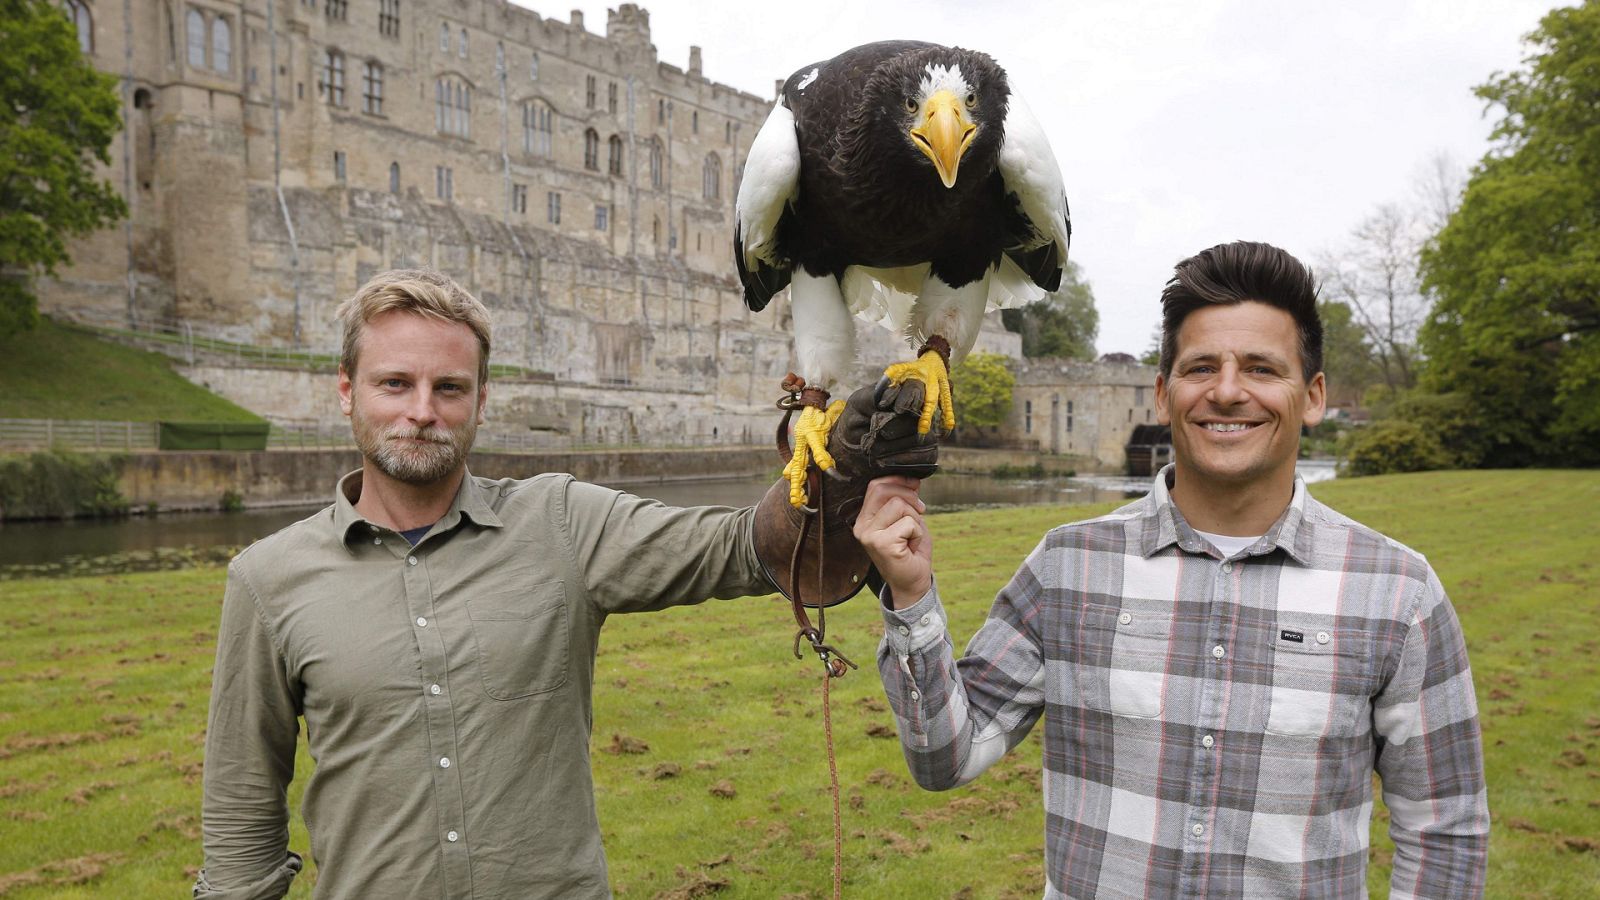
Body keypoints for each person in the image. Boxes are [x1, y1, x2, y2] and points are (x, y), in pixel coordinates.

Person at [195, 268, 935, 898]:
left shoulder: (560, 522)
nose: (422, 411)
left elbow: (741, 547)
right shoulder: (268, 580)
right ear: (346, 391)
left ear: (481, 400)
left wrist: (837, 475)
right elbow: (241, 818)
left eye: (449, 388)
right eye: (395, 383)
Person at [856, 241, 1489, 898]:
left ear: (1313, 396)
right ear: (1162, 395)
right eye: (1201, 367)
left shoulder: (1396, 593)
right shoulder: (1068, 569)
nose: (1228, 391)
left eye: (1262, 368)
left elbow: (1444, 830)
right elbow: (946, 757)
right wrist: (911, 594)